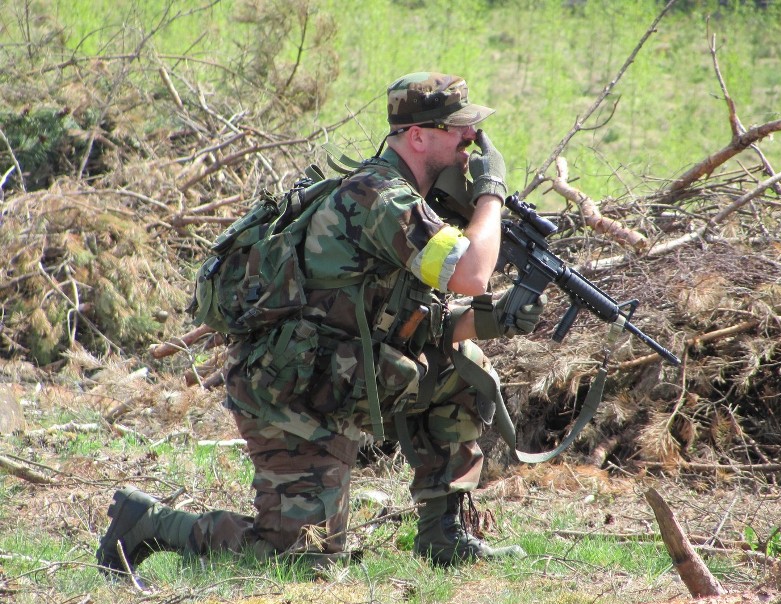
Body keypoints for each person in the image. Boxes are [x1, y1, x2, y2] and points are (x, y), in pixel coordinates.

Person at [96, 72, 547, 574]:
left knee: (467, 369)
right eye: (459, 130)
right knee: (298, 559)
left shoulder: (410, 202)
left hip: (348, 377)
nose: (472, 142)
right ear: (418, 136)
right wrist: (492, 195)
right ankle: (149, 522)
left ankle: (443, 535)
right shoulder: (378, 197)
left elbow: (416, 324)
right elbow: (472, 273)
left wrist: (493, 322)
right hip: (295, 394)